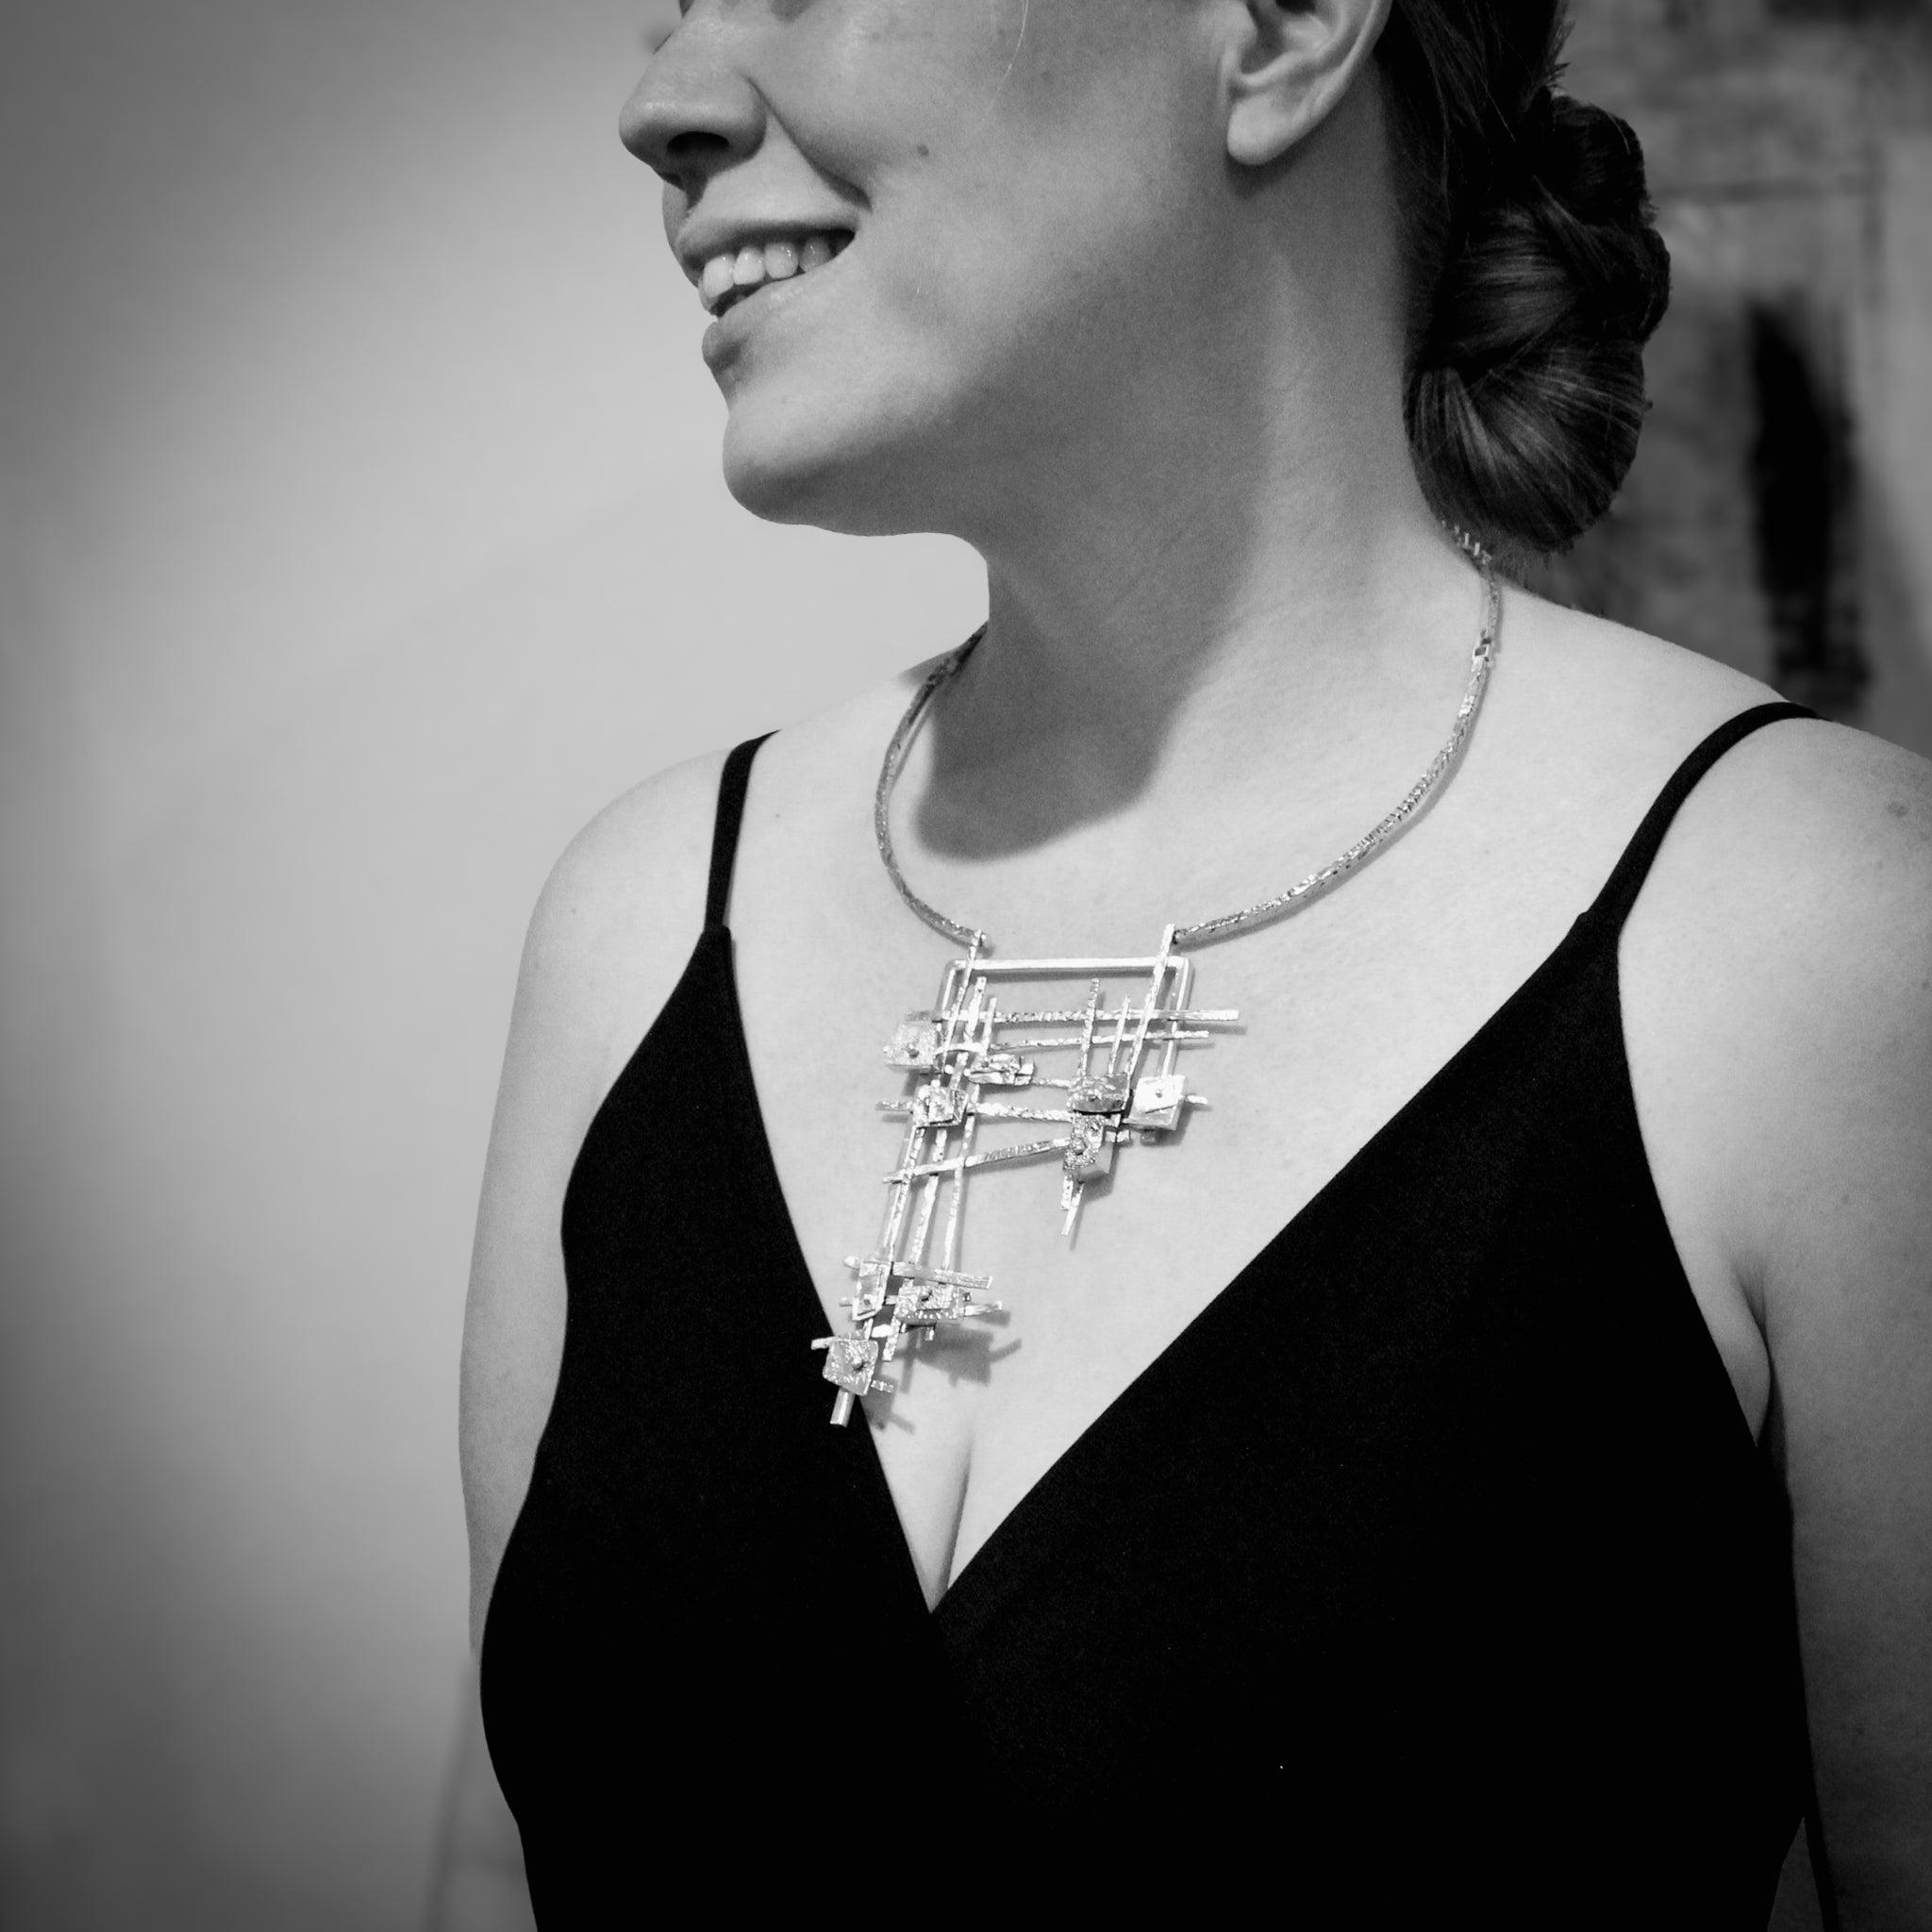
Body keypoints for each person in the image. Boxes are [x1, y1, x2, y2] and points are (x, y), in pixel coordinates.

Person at [445, 0, 1932, 1921]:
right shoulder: (643, 919)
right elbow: (495, 1861)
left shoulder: (1821, 942)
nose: (662, 103)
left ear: (1281, 27)